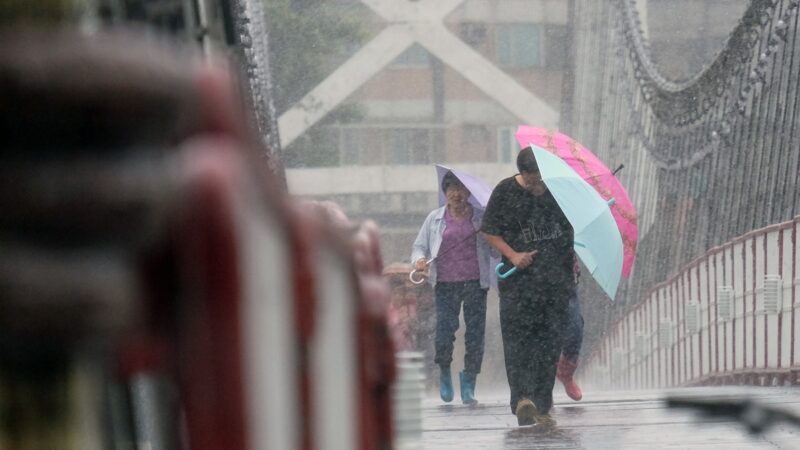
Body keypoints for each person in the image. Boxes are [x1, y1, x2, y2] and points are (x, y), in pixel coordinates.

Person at [480, 147, 575, 426]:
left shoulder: (557, 193)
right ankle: (522, 399)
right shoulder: (505, 192)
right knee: (519, 344)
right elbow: (488, 230)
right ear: (522, 174)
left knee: (548, 346)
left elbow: (568, 236)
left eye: (540, 178)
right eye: (532, 179)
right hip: (518, 286)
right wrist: (513, 255)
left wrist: (568, 276)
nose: (537, 185)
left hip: (554, 285)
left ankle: (543, 406)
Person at [411, 171, 493, 405]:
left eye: (461, 188)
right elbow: (419, 247)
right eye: (451, 189)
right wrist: (419, 261)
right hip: (445, 284)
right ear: (444, 192)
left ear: (469, 192)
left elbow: (496, 252)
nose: (456, 194)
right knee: (445, 333)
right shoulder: (434, 219)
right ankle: (445, 372)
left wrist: (488, 236)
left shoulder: (481, 219)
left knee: (475, 335)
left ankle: (469, 381)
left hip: (476, 284)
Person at [556, 259, 584, 401]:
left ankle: (566, 373)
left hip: (566, 279)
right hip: (536, 276)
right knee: (544, 334)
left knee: (575, 328)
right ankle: (543, 389)